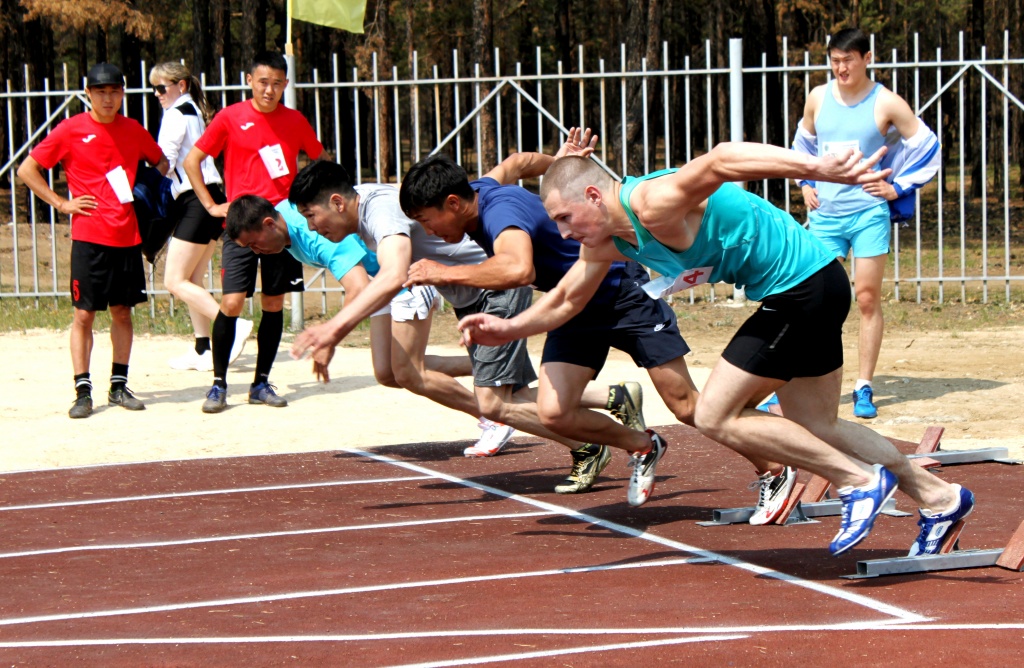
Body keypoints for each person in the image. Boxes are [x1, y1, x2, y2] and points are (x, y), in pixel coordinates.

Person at [489, 141, 973, 555]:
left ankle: (858, 482)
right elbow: (566, 299)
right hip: (815, 286)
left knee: (715, 412)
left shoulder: (653, 202)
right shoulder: (609, 242)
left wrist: (819, 169)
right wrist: (509, 330)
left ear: (594, 195)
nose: (564, 233)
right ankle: (940, 498)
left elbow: (721, 159)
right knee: (817, 423)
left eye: (565, 218)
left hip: (801, 290)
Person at [400, 133, 792, 514]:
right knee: (555, 412)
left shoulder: (498, 212)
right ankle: (642, 445)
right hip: (574, 305)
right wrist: (563, 167)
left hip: (622, 291)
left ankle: (773, 469)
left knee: (687, 406)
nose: (427, 231)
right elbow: (518, 163)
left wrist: (442, 271)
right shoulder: (483, 188)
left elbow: (518, 268)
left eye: (425, 219)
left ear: (453, 203)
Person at [285, 160, 521, 457]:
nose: (311, 227)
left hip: (490, 281)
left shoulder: (379, 210)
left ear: (337, 203)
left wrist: (332, 329)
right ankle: (500, 375)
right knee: (388, 372)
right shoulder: (361, 208)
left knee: (415, 374)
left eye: (311, 215)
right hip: (456, 288)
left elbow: (395, 274)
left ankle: (506, 414)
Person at [793, 28, 939, 419]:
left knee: (867, 298)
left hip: (867, 213)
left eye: (848, 60)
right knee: (811, 299)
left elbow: (928, 146)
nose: (841, 67)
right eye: (835, 60)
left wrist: (898, 187)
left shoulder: (886, 102)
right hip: (825, 215)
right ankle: (793, 381)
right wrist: (805, 181)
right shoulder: (818, 97)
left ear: (866, 58)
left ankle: (863, 386)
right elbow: (802, 144)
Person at [17, 63, 169, 419]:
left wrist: (144, 190)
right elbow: (27, 169)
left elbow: (161, 162)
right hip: (89, 237)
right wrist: (61, 203)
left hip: (128, 235)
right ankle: (82, 391)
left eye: (114, 91)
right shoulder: (71, 130)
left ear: (123, 94)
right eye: (101, 92)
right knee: (84, 314)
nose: (108, 98)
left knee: (122, 311)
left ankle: (118, 386)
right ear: (88, 94)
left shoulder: (132, 129)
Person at [184, 51, 323, 413]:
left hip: (280, 227)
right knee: (230, 303)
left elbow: (320, 162)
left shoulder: (294, 120)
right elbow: (191, 161)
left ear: (286, 85)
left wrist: (307, 205)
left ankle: (261, 382)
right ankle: (218, 384)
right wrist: (213, 206)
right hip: (242, 224)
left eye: (277, 83)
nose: (269, 90)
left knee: (273, 304)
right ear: (249, 80)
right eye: (263, 82)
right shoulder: (230, 118)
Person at [149, 61, 252, 374]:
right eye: (153, 88)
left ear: (180, 86)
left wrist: (137, 186)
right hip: (208, 195)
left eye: (162, 87)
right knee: (192, 278)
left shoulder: (177, 113)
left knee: (174, 279)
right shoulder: (192, 109)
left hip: (197, 199)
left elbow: (163, 161)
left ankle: (233, 326)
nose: (157, 94)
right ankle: (203, 347)